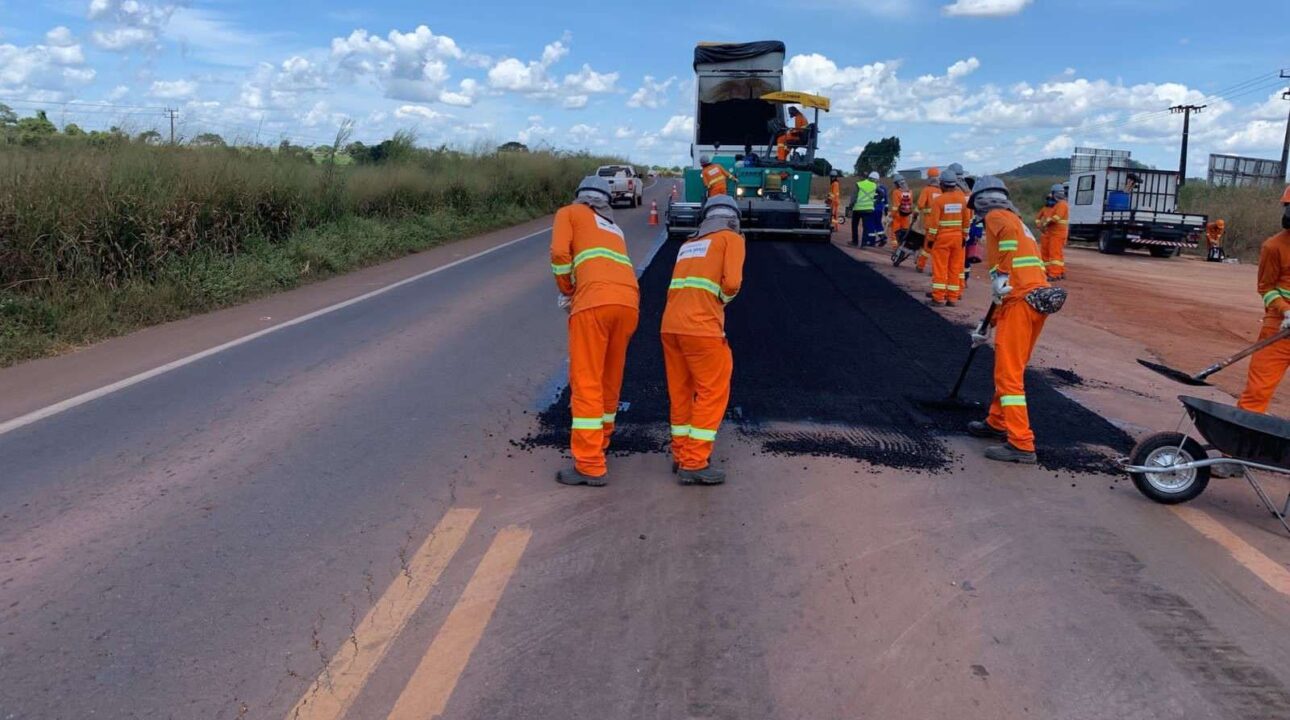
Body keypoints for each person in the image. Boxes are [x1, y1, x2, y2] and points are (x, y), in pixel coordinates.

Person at [550, 176, 640, 486]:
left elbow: (561, 255)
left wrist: (568, 288)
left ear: (579, 197)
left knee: (586, 380)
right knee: (609, 378)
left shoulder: (569, 213)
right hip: (628, 303)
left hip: (593, 303)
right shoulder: (615, 228)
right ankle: (600, 444)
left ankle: (589, 464)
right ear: (606, 201)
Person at [966, 176, 1057, 464]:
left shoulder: (997, 217)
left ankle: (1021, 443)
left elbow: (1006, 248)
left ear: (981, 201)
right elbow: (1012, 285)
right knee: (1012, 366)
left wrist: (1002, 274)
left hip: (1021, 301)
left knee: (1008, 374)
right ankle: (997, 421)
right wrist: (987, 323)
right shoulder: (1019, 221)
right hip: (1034, 299)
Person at [662, 195, 746, 485]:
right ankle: (695, 462)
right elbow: (732, 282)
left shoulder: (688, 245)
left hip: (671, 326)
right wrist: (721, 300)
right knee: (713, 391)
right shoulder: (731, 240)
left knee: (681, 392)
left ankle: (681, 454)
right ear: (734, 219)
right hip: (702, 329)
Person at [1236, 186, 1290, 414]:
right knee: (1257, 392)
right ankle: (1242, 445)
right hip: (1279, 328)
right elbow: (1266, 288)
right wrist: (1285, 311)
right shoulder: (1274, 246)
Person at [925, 168, 968, 306]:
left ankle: (938, 297)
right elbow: (966, 221)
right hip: (958, 238)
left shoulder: (939, 201)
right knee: (955, 268)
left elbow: (934, 224)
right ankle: (952, 298)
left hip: (942, 239)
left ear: (942, 184)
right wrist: (964, 237)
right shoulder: (962, 200)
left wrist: (931, 240)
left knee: (940, 268)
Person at [1037, 183, 1069, 280]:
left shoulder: (1062, 205)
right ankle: (1058, 272)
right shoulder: (1058, 205)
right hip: (1053, 233)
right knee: (1055, 254)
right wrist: (1042, 225)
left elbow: (1056, 218)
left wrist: (1045, 224)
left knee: (1055, 254)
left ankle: (1054, 274)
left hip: (1058, 233)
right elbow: (1041, 217)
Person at [914, 167, 942, 272]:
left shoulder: (927, 190)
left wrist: (915, 213)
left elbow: (920, 204)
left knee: (927, 246)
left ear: (929, 178)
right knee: (938, 248)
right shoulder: (942, 190)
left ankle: (920, 266)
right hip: (941, 224)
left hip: (930, 223)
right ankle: (936, 270)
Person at [850, 171, 878, 247]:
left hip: (858, 208)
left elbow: (854, 197)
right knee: (866, 227)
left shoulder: (859, 184)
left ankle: (855, 241)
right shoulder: (874, 185)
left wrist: (850, 206)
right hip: (869, 209)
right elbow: (881, 194)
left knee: (854, 225)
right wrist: (875, 203)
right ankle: (864, 243)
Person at [888, 176, 914, 248]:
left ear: (897, 183)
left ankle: (896, 248)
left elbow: (895, 206)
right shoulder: (910, 191)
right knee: (905, 231)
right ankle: (904, 247)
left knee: (895, 232)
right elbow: (911, 203)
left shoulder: (896, 192)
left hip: (897, 215)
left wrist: (891, 215)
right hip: (906, 215)